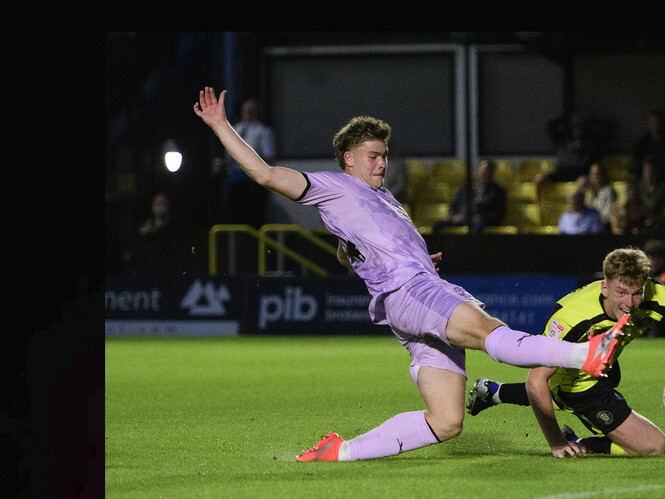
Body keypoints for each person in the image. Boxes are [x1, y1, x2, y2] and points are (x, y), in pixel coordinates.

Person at [193, 87, 634, 462]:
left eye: (385, 155)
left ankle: (341, 451)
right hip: (411, 292)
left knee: (447, 422)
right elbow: (267, 175)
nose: (382, 163)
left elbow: (352, 252)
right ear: (348, 158)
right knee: (488, 331)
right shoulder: (334, 186)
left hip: (411, 295)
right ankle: (584, 356)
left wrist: (420, 259)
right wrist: (220, 126)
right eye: (372, 156)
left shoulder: (383, 198)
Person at [466, 246, 665, 458]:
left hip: (603, 365)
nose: (630, 302)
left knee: (590, 375)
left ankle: (494, 391)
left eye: (637, 292)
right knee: (653, 446)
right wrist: (556, 443)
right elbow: (536, 381)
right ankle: (577, 440)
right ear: (604, 287)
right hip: (578, 387)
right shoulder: (572, 318)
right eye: (621, 293)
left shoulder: (655, 294)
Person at [220, 97, 277, 227]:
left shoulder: (263, 131)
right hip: (235, 180)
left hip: (254, 181)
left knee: (254, 217)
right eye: (246, 109)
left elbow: (269, 157)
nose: (249, 112)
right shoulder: (235, 129)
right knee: (234, 216)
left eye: (252, 109)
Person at [433, 158, 506, 234]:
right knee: (438, 226)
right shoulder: (466, 188)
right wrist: (454, 215)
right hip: (463, 219)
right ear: (476, 172)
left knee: (477, 228)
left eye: (487, 171)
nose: (483, 174)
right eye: (482, 171)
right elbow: (454, 205)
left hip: (482, 221)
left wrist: (480, 217)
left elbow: (498, 213)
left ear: (491, 174)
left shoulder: (497, 191)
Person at [534, 115, 600, 185]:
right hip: (561, 173)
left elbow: (608, 127)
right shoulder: (562, 141)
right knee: (540, 178)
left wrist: (590, 119)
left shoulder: (589, 143)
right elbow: (550, 126)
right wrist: (566, 117)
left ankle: (576, 195)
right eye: (575, 127)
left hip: (579, 174)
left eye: (580, 127)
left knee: (583, 182)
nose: (577, 130)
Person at [629, 109, 665, 185]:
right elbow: (635, 163)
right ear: (648, 123)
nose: (655, 125)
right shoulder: (642, 143)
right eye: (652, 122)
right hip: (646, 178)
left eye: (657, 122)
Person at [577, 162, 617, 232]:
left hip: (604, 229)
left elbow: (608, 215)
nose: (595, 177)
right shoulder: (588, 192)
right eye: (593, 174)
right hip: (587, 228)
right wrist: (581, 189)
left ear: (603, 175)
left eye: (598, 174)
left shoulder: (609, 192)